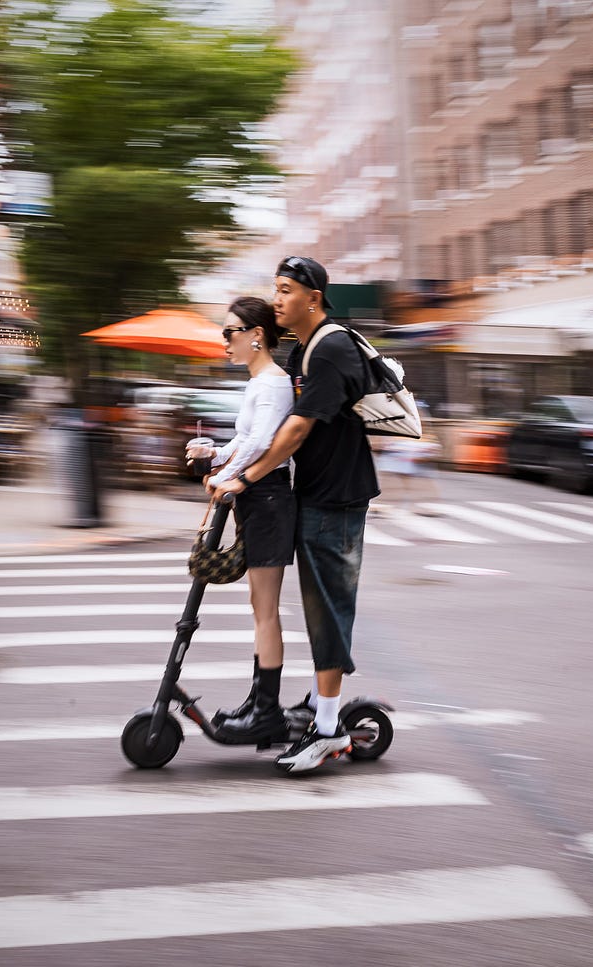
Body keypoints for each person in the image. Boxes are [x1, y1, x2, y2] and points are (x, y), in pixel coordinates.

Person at [213, 256, 379, 773]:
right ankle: (316, 704)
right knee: (315, 611)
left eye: (286, 290)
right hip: (318, 494)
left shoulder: (330, 347)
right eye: (276, 289)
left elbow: (297, 430)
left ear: (314, 296)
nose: (278, 298)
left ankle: (327, 730)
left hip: (337, 500)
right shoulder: (311, 348)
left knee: (328, 613)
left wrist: (245, 477)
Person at [186, 296, 297, 743]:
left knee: (265, 610)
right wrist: (215, 453)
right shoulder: (259, 382)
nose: (225, 340)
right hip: (259, 497)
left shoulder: (271, 383)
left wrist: (230, 478)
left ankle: (266, 711)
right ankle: (259, 701)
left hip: (268, 497)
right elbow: (246, 440)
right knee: (259, 608)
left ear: (256, 335)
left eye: (230, 332)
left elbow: (263, 445)